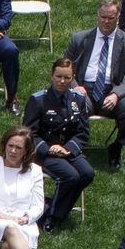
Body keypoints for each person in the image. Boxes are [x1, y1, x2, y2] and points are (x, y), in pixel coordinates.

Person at [64, 0, 125, 169]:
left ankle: (117, 146)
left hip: (112, 92)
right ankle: (77, 146)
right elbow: (64, 66)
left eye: (111, 18)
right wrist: (75, 86)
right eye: (103, 17)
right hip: (84, 89)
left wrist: (116, 94)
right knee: (76, 105)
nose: (106, 22)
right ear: (97, 16)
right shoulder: (79, 38)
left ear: (118, 18)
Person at [22, 58, 94, 232]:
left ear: (72, 78)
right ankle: (52, 217)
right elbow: (29, 133)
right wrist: (49, 149)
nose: (62, 81)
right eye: (59, 76)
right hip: (44, 152)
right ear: (52, 75)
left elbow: (83, 132)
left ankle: (55, 207)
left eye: (67, 78)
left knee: (87, 173)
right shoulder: (38, 100)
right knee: (70, 176)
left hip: (68, 150)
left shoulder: (78, 99)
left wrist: (68, 148)